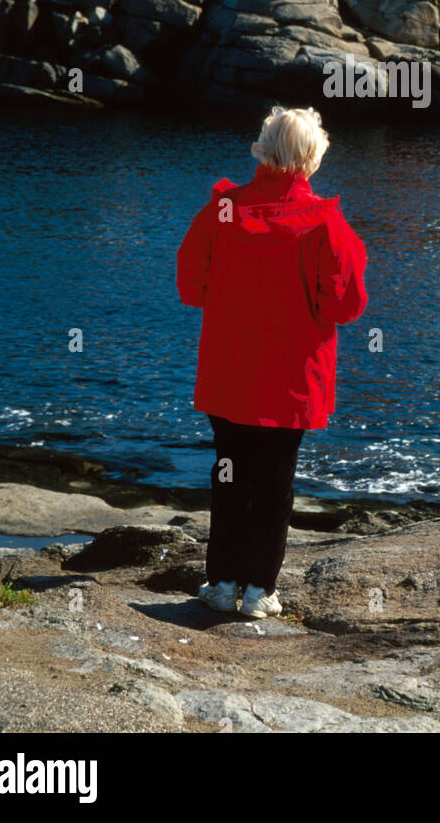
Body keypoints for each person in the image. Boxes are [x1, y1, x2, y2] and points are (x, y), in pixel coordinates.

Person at [176, 106, 368, 619]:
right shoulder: (325, 221)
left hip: (230, 371)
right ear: (312, 157)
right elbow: (347, 303)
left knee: (230, 472)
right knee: (275, 478)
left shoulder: (223, 210)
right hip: (290, 376)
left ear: (262, 148)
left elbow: (190, 286)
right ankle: (260, 589)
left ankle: (221, 582)